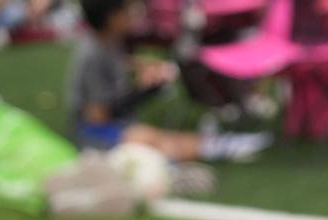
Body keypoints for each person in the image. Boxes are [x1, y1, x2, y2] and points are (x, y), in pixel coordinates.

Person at [67, 0, 269, 162]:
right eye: (127, 9)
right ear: (113, 17)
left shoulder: (108, 40)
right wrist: (147, 91)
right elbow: (98, 116)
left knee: (155, 138)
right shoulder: (94, 55)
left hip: (114, 124)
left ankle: (221, 145)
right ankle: (220, 148)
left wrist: (147, 68)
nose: (133, 14)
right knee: (152, 139)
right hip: (93, 133)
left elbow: (122, 64)